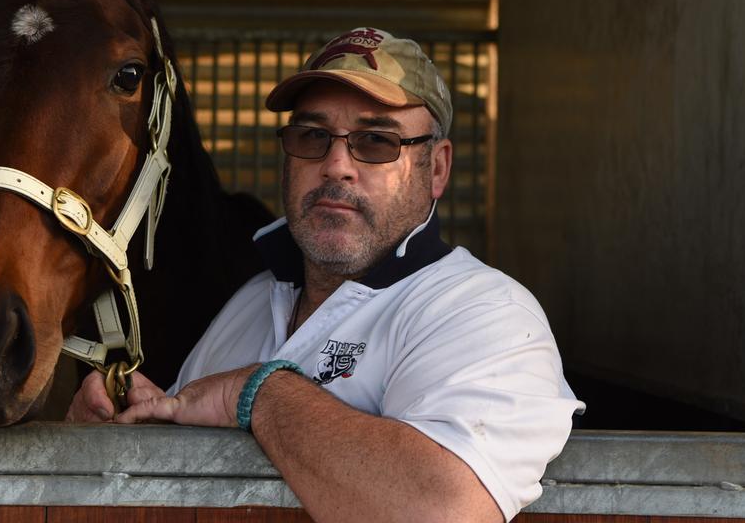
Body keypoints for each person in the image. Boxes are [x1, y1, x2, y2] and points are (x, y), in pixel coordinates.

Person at [68, 27, 583, 522]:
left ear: (438, 169)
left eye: (377, 141)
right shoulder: (251, 300)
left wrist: (255, 393)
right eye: (312, 136)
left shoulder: (485, 312)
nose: (336, 164)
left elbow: (440, 510)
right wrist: (115, 435)